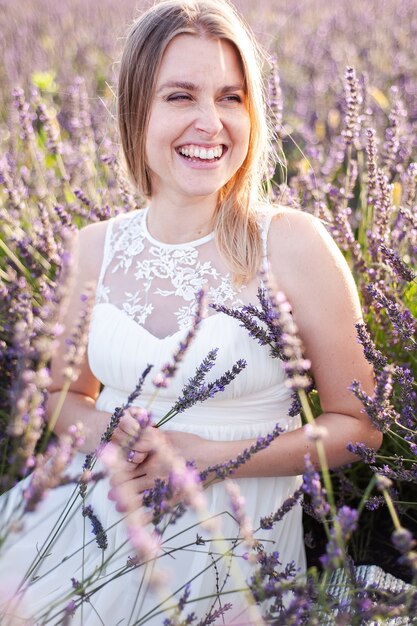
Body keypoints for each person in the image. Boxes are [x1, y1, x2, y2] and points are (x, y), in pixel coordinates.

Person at [0, 0, 382, 624]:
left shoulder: (291, 243)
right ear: (136, 110)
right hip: (91, 513)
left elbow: (361, 426)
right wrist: (115, 437)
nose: (211, 122)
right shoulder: (92, 249)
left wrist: (210, 456)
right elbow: (62, 397)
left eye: (231, 98)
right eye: (181, 96)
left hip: (228, 548)